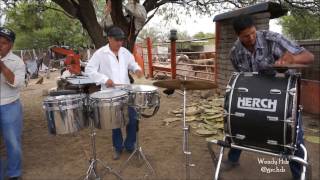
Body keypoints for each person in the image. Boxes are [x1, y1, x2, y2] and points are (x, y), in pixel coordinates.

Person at [223, 15, 314, 179]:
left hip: (285, 98)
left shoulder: (273, 39)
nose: (251, 38)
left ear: (255, 28)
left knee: (293, 136)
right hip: (254, 97)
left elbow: (309, 57)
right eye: (245, 36)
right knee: (240, 122)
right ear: (238, 35)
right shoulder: (235, 53)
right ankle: (233, 158)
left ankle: (300, 172)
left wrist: (293, 58)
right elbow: (242, 77)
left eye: (252, 33)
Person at [85, 26, 143, 160]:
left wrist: (137, 69)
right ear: (109, 39)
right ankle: (117, 147)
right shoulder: (100, 53)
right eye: (117, 40)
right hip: (110, 94)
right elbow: (89, 70)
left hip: (126, 91)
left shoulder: (125, 52)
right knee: (115, 123)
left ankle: (129, 145)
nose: (119, 43)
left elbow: (132, 64)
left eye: (121, 40)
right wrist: (105, 79)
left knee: (133, 120)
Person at [0, 27, 26, 180]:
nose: (0, 45)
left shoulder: (17, 62)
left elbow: (16, 83)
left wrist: (2, 66)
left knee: (13, 143)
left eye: (3, 43)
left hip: (10, 106)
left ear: (11, 45)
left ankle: (14, 173)